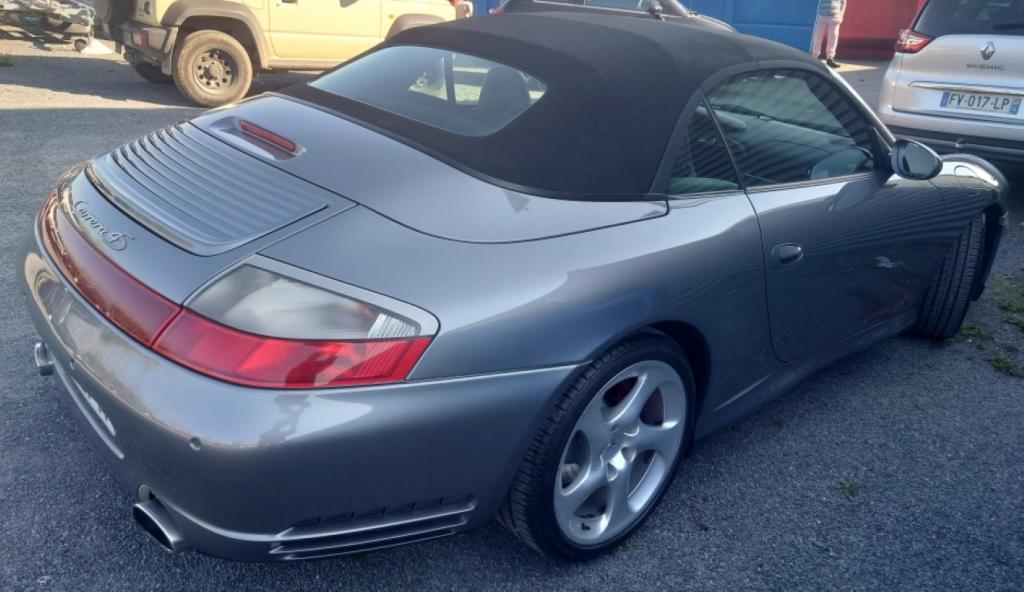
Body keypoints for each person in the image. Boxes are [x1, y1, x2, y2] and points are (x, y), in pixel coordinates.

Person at [811, 0, 847, 69]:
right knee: (817, 37)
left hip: (835, 16)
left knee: (833, 38)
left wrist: (841, 14)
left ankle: (830, 58)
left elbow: (844, 2)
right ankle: (814, 57)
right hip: (821, 15)